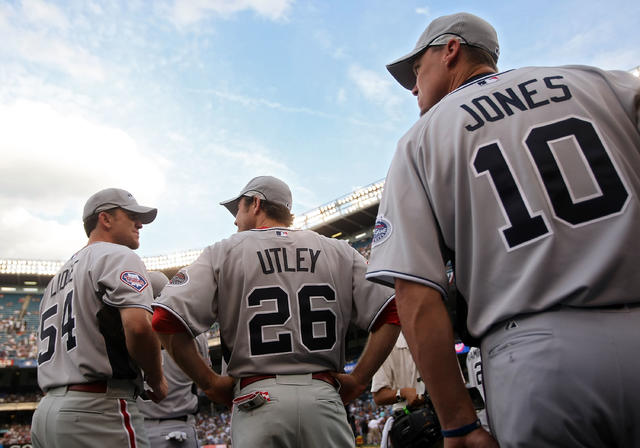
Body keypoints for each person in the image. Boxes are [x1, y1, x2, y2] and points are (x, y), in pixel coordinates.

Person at [367, 10, 640, 448]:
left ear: (451, 50)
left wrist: (457, 425)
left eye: (417, 71)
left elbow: (416, 295)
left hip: (537, 357)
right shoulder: (602, 83)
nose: (414, 87)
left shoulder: (421, 138)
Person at [152, 175, 400, 448]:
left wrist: (209, 383)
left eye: (238, 209)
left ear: (256, 203)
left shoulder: (223, 251)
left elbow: (165, 318)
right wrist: (359, 379)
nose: (235, 219)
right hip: (323, 396)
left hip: (257, 400)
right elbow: (393, 311)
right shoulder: (339, 250)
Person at [31, 188, 168, 448]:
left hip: (47, 411)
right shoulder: (117, 254)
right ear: (105, 219)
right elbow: (138, 327)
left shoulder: (54, 281)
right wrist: (155, 376)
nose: (139, 223)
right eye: (131, 216)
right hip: (98, 409)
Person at [139, 271, 210, 448]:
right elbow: (204, 380)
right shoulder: (193, 329)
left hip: (141, 429)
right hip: (181, 426)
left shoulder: (131, 332)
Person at [371, 331, 432, 448]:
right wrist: (402, 393)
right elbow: (378, 396)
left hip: (442, 419)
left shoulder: (438, 335)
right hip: (409, 424)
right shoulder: (389, 344)